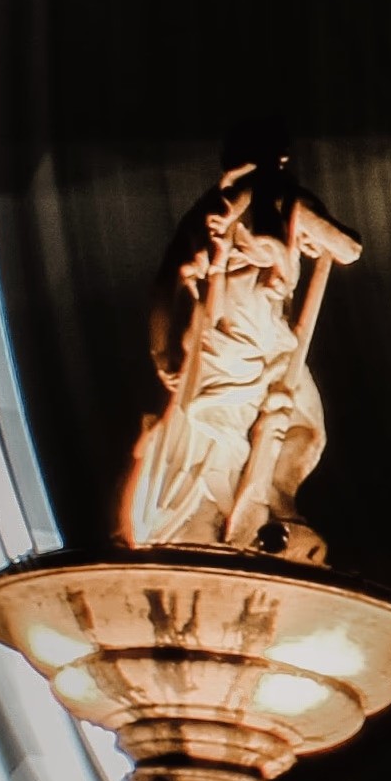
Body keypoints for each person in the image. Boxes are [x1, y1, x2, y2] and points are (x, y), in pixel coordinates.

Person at [119, 122, 360, 561]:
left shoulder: (220, 208)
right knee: (241, 436)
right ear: (280, 159)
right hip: (240, 339)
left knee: (295, 432)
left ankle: (260, 509)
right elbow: (348, 249)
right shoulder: (275, 202)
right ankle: (228, 523)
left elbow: (161, 290)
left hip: (247, 339)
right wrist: (308, 231)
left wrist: (163, 356)